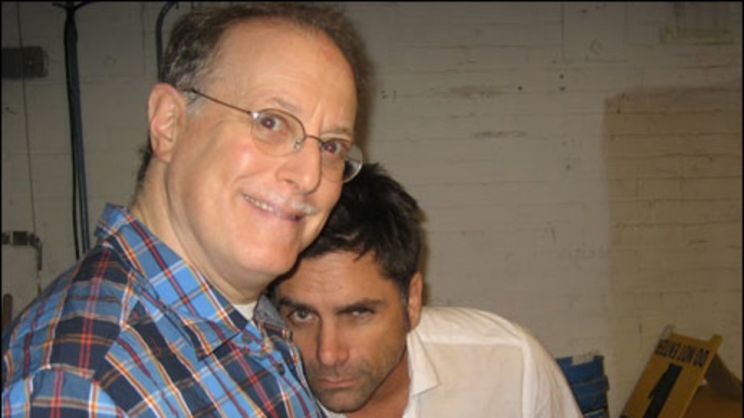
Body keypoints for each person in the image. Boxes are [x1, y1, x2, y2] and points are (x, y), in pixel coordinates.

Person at [2, 3, 371, 417]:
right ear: (169, 123)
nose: (309, 176)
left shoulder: (239, 314)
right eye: (271, 122)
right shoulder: (86, 386)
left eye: (331, 146)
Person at [271, 163, 583, 418]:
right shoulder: (259, 396)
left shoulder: (509, 365)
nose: (328, 354)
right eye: (302, 315)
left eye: (358, 313)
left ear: (412, 300)